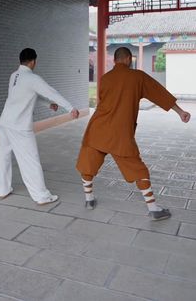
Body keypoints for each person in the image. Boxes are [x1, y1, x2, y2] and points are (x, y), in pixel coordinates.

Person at [76, 47, 190, 220]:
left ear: (115, 60)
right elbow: (159, 94)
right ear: (128, 59)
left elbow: (102, 102)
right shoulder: (137, 77)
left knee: (88, 163)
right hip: (120, 133)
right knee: (137, 169)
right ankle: (153, 209)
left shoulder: (105, 79)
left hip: (97, 129)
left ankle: (89, 199)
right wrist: (180, 111)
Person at [0, 48, 79, 205]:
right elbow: (51, 92)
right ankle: (42, 196)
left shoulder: (14, 76)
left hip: (5, 122)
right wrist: (70, 108)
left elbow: (26, 94)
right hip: (19, 126)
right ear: (33, 61)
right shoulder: (32, 78)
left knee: (3, 157)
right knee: (31, 161)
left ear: (20, 60)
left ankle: (2, 190)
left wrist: (49, 104)